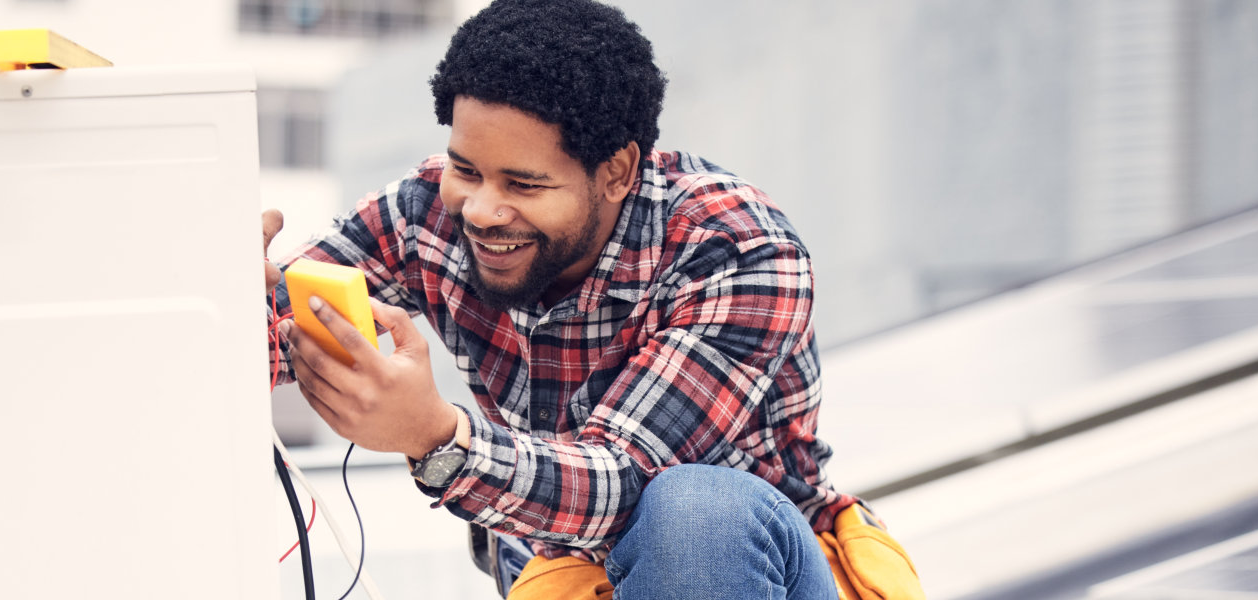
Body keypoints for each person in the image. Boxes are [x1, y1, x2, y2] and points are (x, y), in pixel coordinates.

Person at [264, 1, 856, 597]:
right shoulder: (427, 213)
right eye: (465, 169)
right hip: (551, 576)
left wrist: (434, 435)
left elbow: (622, 480)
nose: (481, 211)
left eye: (524, 184)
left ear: (618, 171)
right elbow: (276, 329)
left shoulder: (739, 252)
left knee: (696, 509)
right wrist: (224, 301)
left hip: (734, 574)